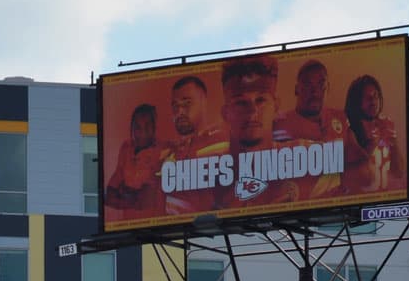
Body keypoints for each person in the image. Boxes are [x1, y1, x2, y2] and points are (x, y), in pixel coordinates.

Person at [217, 54, 304, 208]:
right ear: (225, 113)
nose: (252, 111)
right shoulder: (201, 171)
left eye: (261, 100)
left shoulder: (308, 156)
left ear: (276, 106)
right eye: (241, 103)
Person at [159, 76, 228, 215]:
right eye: (175, 106)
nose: (180, 112)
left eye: (187, 103)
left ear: (203, 102)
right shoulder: (167, 153)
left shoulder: (223, 141)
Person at [342, 74, 405, 194]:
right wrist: (374, 140)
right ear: (356, 102)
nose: (373, 101)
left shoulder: (386, 126)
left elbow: (399, 172)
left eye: (376, 96)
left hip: (387, 200)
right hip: (358, 201)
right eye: (367, 98)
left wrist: (393, 143)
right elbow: (357, 173)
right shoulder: (348, 130)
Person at [104, 103, 164, 216]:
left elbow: (144, 201)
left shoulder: (161, 150)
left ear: (154, 127)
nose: (143, 132)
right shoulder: (126, 148)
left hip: (153, 221)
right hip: (127, 223)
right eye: (138, 127)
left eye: (147, 126)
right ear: (132, 128)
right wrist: (133, 196)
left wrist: (123, 191)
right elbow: (109, 197)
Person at [274, 60, 349, 142]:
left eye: (321, 84)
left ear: (328, 88)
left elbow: (353, 148)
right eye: (307, 84)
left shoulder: (341, 117)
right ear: (296, 89)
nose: (315, 91)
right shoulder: (280, 125)